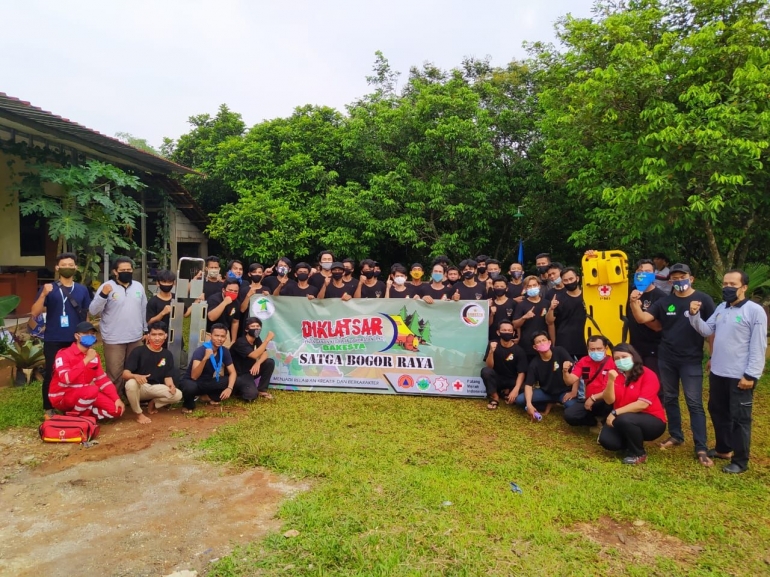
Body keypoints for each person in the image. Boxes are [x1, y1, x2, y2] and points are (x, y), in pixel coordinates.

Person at [629, 262, 716, 467]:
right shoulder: (665, 301)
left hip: (691, 360)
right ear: (670, 280)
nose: (679, 281)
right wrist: (634, 302)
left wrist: (713, 356)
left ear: (691, 278)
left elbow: (713, 329)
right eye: (675, 278)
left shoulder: (703, 300)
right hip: (666, 358)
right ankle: (676, 435)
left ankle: (701, 446)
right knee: (670, 398)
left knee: (694, 403)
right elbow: (642, 318)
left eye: (682, 277)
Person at [688, 269, 767, 474]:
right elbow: (706, 330)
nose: (727, 288)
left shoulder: (754, 311)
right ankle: (724, 448)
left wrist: (750, 375)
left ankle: (740, 461)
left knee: (740, 418)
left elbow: (759, 345)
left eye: (732, 284)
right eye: (725, 284)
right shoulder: (722, 307)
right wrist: (694, 316)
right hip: (719, 372)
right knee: (717, 410)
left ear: (744, 287)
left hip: (740, 375)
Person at [31, 252, 91, 419]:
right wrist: (43, 294)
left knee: (79, 372)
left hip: (75, 339)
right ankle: (48, 407)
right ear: (57, 268)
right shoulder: (48, 289)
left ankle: (73, 404)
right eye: (63, 265)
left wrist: (86, 336)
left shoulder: (82, 289)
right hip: (54, 338)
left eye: (70, 265)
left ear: (76, 268)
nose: (67, 268)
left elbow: (85, 314)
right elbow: (35, 313)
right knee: (52, 372)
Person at [598, 344, 667, 465]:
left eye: (624, 356)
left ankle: (638, 453)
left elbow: (642, 404)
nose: (620, 360)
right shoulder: (613, 374)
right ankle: (630, 443)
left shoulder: (648, 374)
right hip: (622, 418)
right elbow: (609, 400)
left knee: (625, 419)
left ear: (633, 356)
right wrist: (610, 381)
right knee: (607, 441)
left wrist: (615, 412)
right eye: (617, 358)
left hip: (651, 419)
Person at [88, 256, 147, 396]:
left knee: (133, 370)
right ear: (115, 271)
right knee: (115, 373)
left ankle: (132, 398)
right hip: (114, 338)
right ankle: (114, 400)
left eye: (129, 269)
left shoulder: (138, 286)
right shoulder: (106, 287)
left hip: (136, 336)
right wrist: (103, 295)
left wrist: (145, 329)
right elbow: (93, 311)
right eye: (123, 270)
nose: (126, 272)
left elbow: (143, 309)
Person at [48, 321, 125, 420]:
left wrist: (116, 399)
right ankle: (74, 418)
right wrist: (86, 359)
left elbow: (102, 380)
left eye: (92, 334)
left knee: (116, 410)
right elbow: (66, 379)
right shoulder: (63, 354)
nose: (90, 336)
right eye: (85, 333)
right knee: (91, 390)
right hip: (62, 396)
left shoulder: (94, 355)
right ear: (77, 336)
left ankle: (83, 415)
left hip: (86, 393)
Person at [122, 322, 182, 424]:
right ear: (148, 336)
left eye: (160, 334)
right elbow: (125, 374)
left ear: (165, 336)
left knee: (177, 395)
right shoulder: (138, 351)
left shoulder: (167, 354)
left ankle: (153, 402)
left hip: (155, 388)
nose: (157, 338)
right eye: (154, 335)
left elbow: (168, 376)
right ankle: (138, 414)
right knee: (131, 383)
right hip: (141, 387)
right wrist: (135, 376)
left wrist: (171, 385)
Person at [515, 332, 578, 418]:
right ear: (535, 347)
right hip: (546, 392)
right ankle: (548, 403)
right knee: (520, 400)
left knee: (572, 407)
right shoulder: (534, 364)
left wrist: (573, 391)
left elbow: (576, 370)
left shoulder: (559, 351)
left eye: (544, 340)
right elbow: (529, 385)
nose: (542, 343)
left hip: (564, 392)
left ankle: (554, 402)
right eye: (538, 342)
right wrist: (529, 404)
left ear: (549, 342)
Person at [179, 324, 237, 413]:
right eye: (216, 335)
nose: (219, 339)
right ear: (211, 336)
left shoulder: (224, 351)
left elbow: (232, 372)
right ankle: (188, 405)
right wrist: (205, 358)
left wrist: (229, 388)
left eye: (222, 336)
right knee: (190, 387)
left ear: (225, 338)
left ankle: (206, 397)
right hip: (193, 381)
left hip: (207, 382)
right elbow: (194, 376)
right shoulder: (201, 351)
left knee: (232, 381)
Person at [563, 336, 616, 428]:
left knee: (610, 402)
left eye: (599, 349)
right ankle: (593, 422)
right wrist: (565, 371)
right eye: (592, 349)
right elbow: (569, 381)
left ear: (606, 348)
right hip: (588, 400)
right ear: (588, 349)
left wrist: (593, 398)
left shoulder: (613, 362)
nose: (595, 352)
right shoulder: (584, 361)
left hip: (606, 400)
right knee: (569, 415)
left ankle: (606, 423)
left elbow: (616, 389)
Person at [627, 259, 666, 377]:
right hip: (631, 348)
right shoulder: (627, 292)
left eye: (647, 271)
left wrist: (638, 309)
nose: (643, 274)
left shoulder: (661, 297)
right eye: (640, 271)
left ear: (654, 275)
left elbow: (658, 327)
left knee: (653, 383)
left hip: (652, 350)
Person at [481, 320, 528, 410]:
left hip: (511, 380)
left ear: (513, 333)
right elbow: (489, 366)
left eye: (509, 330)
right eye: (504, 330)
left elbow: (521, 372)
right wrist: (491, 352)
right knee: (485, 371)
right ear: (498, 332)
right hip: (497, 379)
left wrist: (516, 389)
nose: (507, 332)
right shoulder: (492, 344)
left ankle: (507, 392)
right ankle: (495, 397)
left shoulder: (519, 351)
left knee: (523, 386)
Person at [230, 317, 277, 400]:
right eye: (253, 326)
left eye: (258, 326)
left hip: (251, 371)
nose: (256, 328)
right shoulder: (241, 342)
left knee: (269, 362)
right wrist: (267, 340)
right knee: (251, 395)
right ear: (247, 329)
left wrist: (258, 363)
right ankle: (238, 389)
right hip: (239, 374)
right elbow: (254, 355)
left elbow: (265, 353)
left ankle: (262, 390)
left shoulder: (256, 339)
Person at [545, 266, 587, 359]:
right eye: (566, 280)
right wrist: (551, 308)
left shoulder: (588, 296)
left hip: (586, 340)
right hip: (565, 342)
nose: (569, 282)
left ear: (577, 278)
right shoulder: (558, 298)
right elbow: (549, 321)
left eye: (571, 279)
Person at [512, 275, 549, 359]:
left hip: (544, 343)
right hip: (527, 345)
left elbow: (551, 324)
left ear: (539, 286)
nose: (532, 288)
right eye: (529, 286)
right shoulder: (521, 305)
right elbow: (515, 324)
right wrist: (524, 317)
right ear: (525, 289)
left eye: (534, 285)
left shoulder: (547, 303)